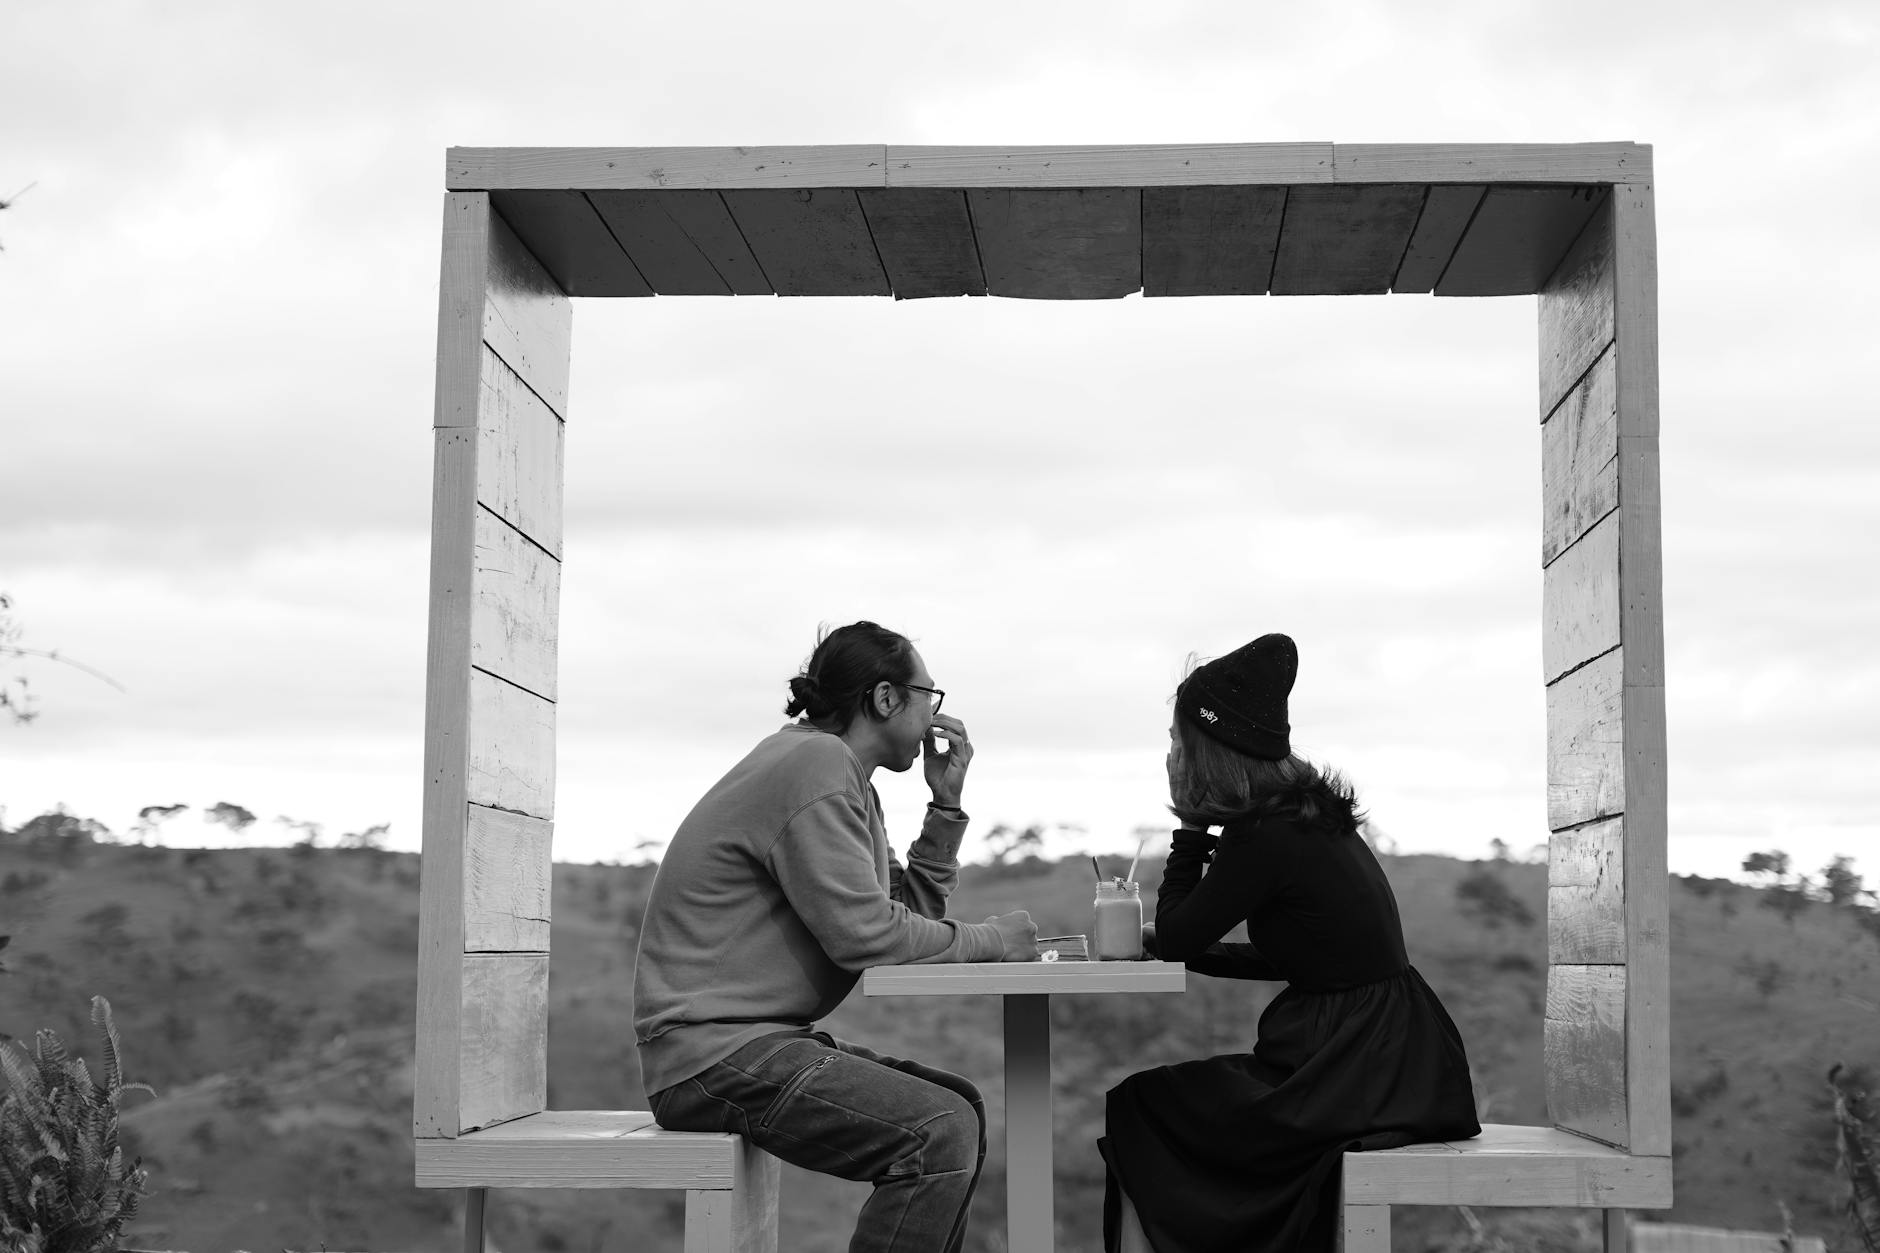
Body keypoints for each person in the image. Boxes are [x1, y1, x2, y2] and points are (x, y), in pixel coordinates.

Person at [633, 621, 1038, 1253]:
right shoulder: (815, 765)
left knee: (961, 1104)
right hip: (713, 1056)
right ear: (884, 699)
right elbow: (869, 940)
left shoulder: (842, 775)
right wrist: (992, 940)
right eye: (929, 697)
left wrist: (945, 808)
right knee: (939, 1130)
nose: (937, 714)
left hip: (750, 1043)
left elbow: (902, 914)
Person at [1100, 633, 1481, 1253]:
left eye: (1176, 742)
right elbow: (1301, 956)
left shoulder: (1267, 834)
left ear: (1209, 752)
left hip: (1355, 1066)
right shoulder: (1298, 818)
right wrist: (1178, 944)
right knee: (1165, 1107)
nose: (1169, 755)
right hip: (1390, 1054)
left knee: (1144, 1105)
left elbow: (1176, 936)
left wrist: (1190, 830)